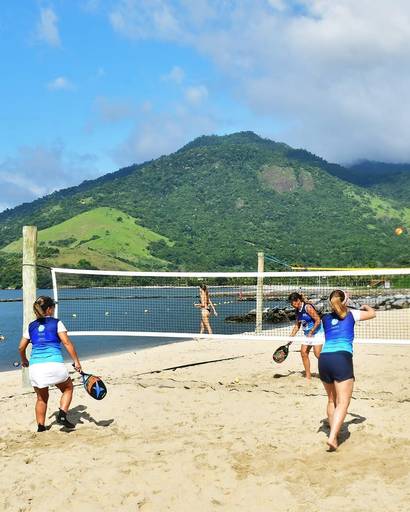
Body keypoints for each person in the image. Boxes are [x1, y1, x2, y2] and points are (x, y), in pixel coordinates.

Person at [319, 289, 375, 451]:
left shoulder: (325, 318)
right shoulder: (352, 314)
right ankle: (332, 437)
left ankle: (334, 436)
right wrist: (364, 306)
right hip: (341, 358)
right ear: (345, 300)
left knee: (331, 400)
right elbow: (372, 313)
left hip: (324, 358)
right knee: (343, 402)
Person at [18, 296, 82, 432]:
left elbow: (21, 347)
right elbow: (66, 343)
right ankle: (62, 414)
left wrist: (24, 360)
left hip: (36, 368)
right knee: (68, 388)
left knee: (41, 398)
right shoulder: (57, 323)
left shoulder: (31, 326)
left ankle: (41, 427)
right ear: (49, 309)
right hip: (55, 365)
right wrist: (76, 361)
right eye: (53, 307)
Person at [288, 292, 324, 380]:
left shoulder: (307, 307)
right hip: (307, 334)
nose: (292, 305)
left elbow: (318, 320)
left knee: (317, 354)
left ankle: (328, 371)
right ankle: (308, 376)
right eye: (291, 303)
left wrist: (311, 332)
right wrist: (291, 337)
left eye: (293, 303)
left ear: (298, 300)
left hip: (317, 332)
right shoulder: (297, 310)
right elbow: (297, 325)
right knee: (303, 353)